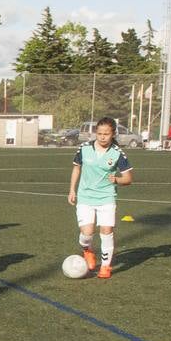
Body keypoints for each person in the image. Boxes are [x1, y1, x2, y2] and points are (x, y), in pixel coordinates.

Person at [68, 116, 133, 279]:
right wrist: (72, 190)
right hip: (85, 197)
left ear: (113, 134)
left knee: (106, 230)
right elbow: (76, 169)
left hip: (106, 197)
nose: (103, 137)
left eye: (106, 133)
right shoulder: (84, 148)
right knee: (87, 234)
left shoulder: (117, 153)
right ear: (96, 133)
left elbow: (128, 178)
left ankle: (105, 267)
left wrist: (117, 179)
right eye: (99, 133)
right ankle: (87, 251)